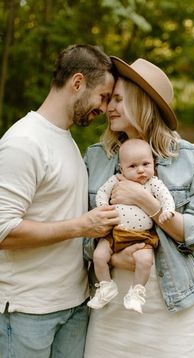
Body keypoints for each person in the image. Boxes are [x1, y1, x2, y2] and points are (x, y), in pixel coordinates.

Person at [83, 56, 194, 357]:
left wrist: (148, 203)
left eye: (118, 99)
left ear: (142, 102)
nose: (109, 108)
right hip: (112, 305)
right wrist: (118, 260)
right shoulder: (96, 158)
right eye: (109, 99)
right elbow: (82, 233)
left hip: (172, 305)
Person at [0, 44, 120, 358]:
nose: (105, 108)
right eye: (103, 96)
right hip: (28, 311)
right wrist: (81, 226)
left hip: (73, 306)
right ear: (77, 83)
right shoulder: (23, 142)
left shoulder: (64, 139)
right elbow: (3, 231)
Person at [87, 138, 175, 313]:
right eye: (133, 166)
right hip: (114, 232)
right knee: (99, 255)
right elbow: (102, 192)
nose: (141, 170)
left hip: (142, 235)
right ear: (122, 168)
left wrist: (168, 211)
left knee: (145, 260)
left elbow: (166, 198)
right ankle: (105, 286)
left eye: (145, 164)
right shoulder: (117, 180)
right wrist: (104, 206)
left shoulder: (153, 183)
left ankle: (137, 292)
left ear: (154, 164)